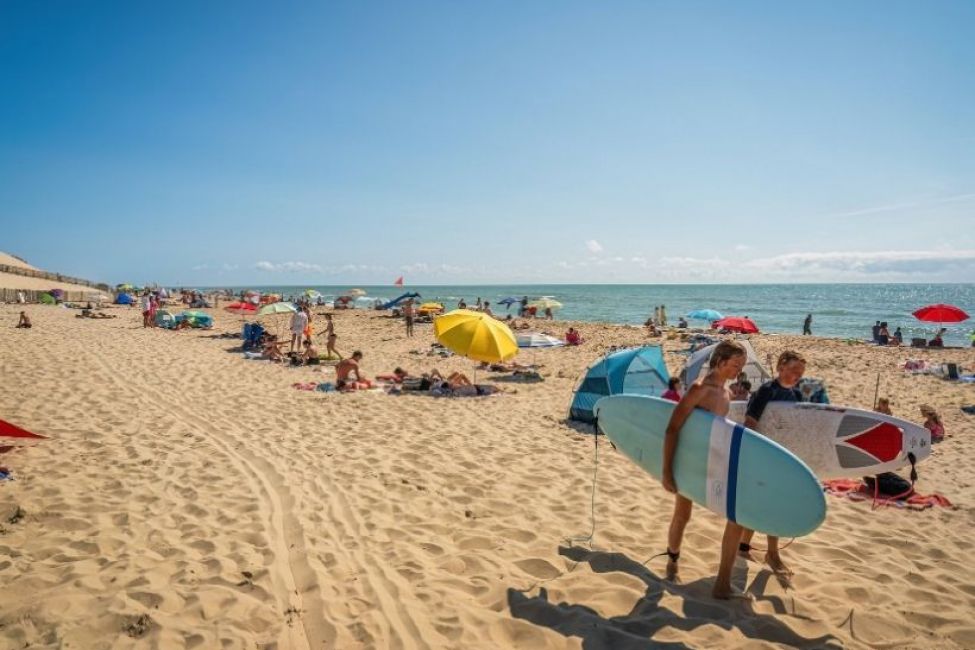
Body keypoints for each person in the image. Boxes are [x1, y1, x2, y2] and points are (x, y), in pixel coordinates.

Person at [662, 340, 747, 598]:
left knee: (736, 517)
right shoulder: (700, 389)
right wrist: (667, 471)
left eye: (741, 366)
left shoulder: (727, 394)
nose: (738, 371)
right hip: (690, 462)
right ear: (720, 362)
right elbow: (672, 428)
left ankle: (722, 583)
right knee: (682, 515)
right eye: (735, 365)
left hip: (713, 461)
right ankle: (672, 560)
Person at [740, 350, 806, 576]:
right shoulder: (766, 391)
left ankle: (743, 546)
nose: (797, 375)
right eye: (793, 369)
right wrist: (754, 455)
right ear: (780, 367)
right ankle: (772, 553)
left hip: (784, 456)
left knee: (762, 503)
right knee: (770, 505)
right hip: (763, 455)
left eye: (801, 372)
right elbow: (749, 423)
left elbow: (796, 429)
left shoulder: (797, 396)